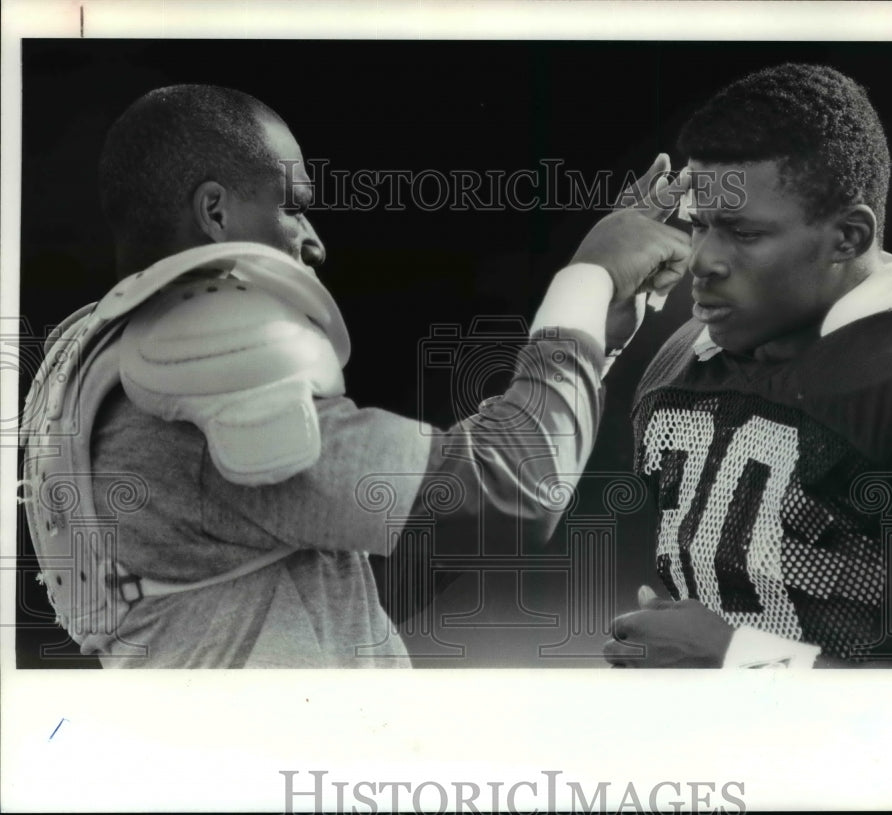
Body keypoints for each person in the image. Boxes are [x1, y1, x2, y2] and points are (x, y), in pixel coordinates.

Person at [19, 84, 690, 668]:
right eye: (293, 205)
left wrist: (591, 341)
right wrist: (586, 279)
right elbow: (513, 496)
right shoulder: (199, 372)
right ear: (216, 211)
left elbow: (357, 583)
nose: (314, 240)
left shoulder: (99, 360)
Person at [603, 63, 892, 669]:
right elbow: (471, 514)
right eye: (697, 225)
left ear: (848, 238)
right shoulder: (686, 352)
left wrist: (741, 663)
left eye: (742, 232)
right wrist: (589, 341)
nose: (701, 260)